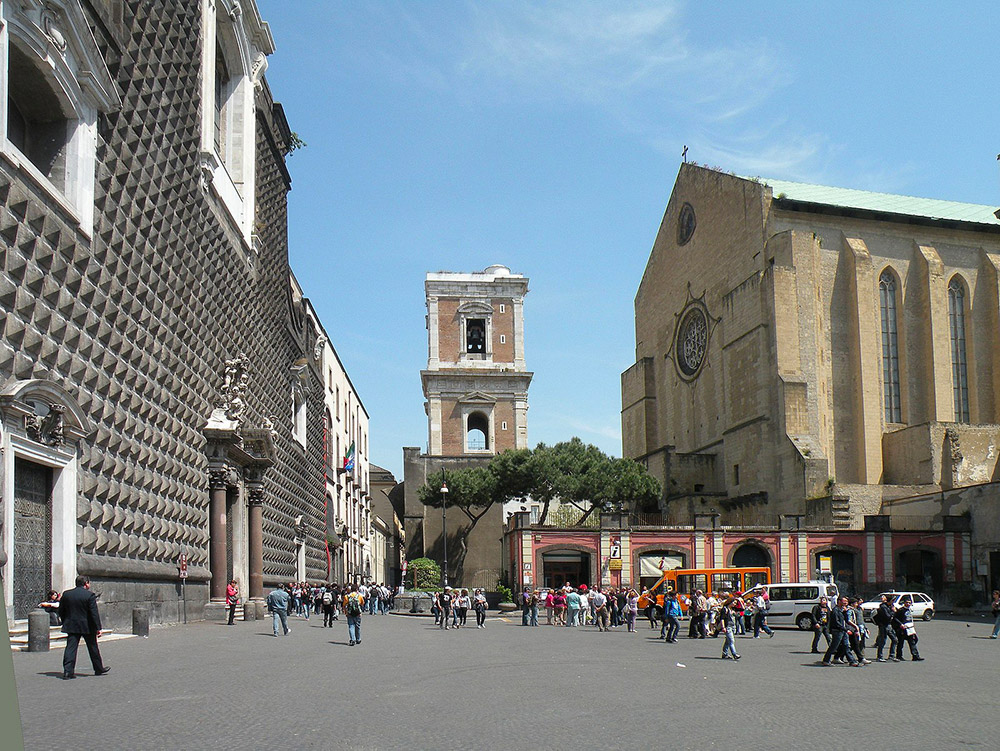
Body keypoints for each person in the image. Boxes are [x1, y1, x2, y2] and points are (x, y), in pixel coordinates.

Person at [57, 575, 109, 679]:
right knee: (93, 647)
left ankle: (68, 671)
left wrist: (65, 620)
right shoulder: (89, 595)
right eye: (88, 583)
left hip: (72, 625)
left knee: (70, 648)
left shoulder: (67, 594)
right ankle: (98, 668)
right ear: (86, 584)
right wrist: (98, 628)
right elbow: (94, 613)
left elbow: (61, 610)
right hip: (87, 626)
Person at [821, 596, 860, 667]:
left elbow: (845, 620)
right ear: (839, 601)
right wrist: (846, 630)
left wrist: (845, 612)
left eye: (846, 601)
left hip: (843, 631)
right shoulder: (835, 610)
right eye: (844, 601)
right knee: (834, 646)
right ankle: (826, 660)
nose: (845, 603)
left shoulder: (841, 610)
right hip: (837, 631)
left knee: (846, 645)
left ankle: (852, 661)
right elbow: (836, 622)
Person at [892, 596, 923, 661]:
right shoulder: (901, 610)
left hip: (910, 629)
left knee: (913, 641)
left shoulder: (909, 610)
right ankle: (899, 656)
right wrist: (901, 624)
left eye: (909, 603)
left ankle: (915, 656)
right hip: (902, 629)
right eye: (907, 603)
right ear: (904, 603)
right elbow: (895, 618)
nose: (908, 604)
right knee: (900, 643)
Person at [872, 593, 898, 662]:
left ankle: (892, 656)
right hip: (883, 625)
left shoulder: (889, 606)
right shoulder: (883, 607)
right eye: (892, 601)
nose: (893, 602)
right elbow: (887, 616)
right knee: (882, 641)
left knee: (895, 640)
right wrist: (893, 611)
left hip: (889, 625)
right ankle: (880, 656)